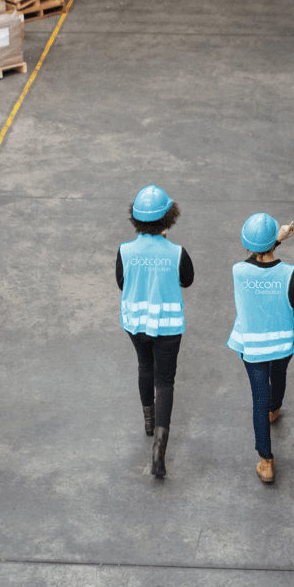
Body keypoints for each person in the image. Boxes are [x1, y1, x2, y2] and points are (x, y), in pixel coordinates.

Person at [227, 212, 294, 483]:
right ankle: (276, 408)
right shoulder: (291, 276)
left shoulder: (239, 272)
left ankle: (266, 461)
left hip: (252, 348)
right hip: (282, 346)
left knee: (257, 400)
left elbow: (255, 258)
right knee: (279, 377)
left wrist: (274, 241)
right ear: (274, 242)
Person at [116, 185, 194, 478]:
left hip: (135, 325)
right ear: (168, 219)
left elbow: (122, 283)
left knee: (144, 366)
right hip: (169, 327)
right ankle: (160, 449)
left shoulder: (125, 251)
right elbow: (187, 280)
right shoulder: (176, 253)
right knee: (166, 381)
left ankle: (148, 422)